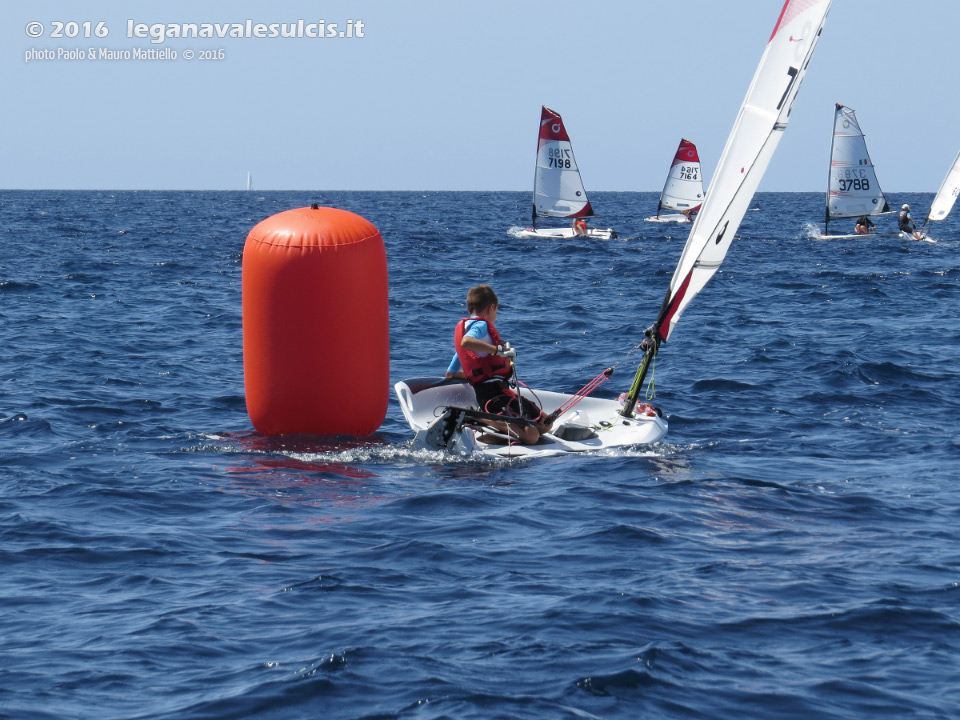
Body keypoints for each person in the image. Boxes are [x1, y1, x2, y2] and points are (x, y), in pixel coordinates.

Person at [445, 284, 552, 445]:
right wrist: (498, 351)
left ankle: (498, 428)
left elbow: (450, 374)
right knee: (532, 436)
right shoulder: (480, 326)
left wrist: (476, 374)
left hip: (501, 392)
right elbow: (467, 342)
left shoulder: (468, 335)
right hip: (491, 397)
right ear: (491, 308)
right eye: (496, 311)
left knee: (546, 423)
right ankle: (478, 417)